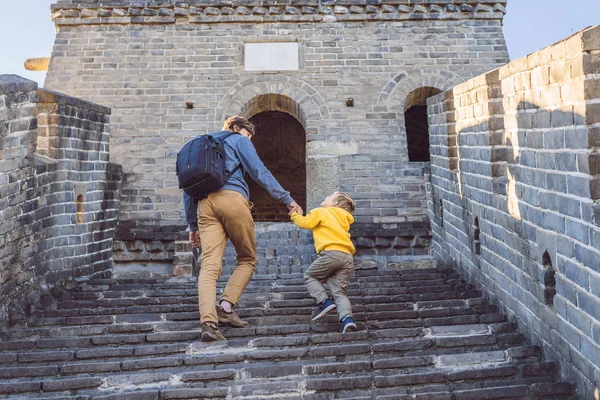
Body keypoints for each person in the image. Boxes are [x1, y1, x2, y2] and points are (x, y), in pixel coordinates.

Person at [184, 116, 303, 342]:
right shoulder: (239, 139)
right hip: (233, 199)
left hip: (204, 205)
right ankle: (226, 306)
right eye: (249, 135)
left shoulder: (201, 145)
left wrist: (192, 225)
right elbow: (259, 172)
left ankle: (209, 322)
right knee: (247, 258)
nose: (249, 139)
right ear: (237, 127)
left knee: (209, 264)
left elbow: (188, 187)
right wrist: (287, 199)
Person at [290, 191, 357, 333]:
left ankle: (324, 302)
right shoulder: (344, 218)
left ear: (334, 203)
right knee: (339, 293)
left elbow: (305, 223)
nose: (325, 197)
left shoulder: (321, 212)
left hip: (331, 253)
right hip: (347, 257)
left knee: (310, 276)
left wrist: (295, 215)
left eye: (329, 197)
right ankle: (347, 320)